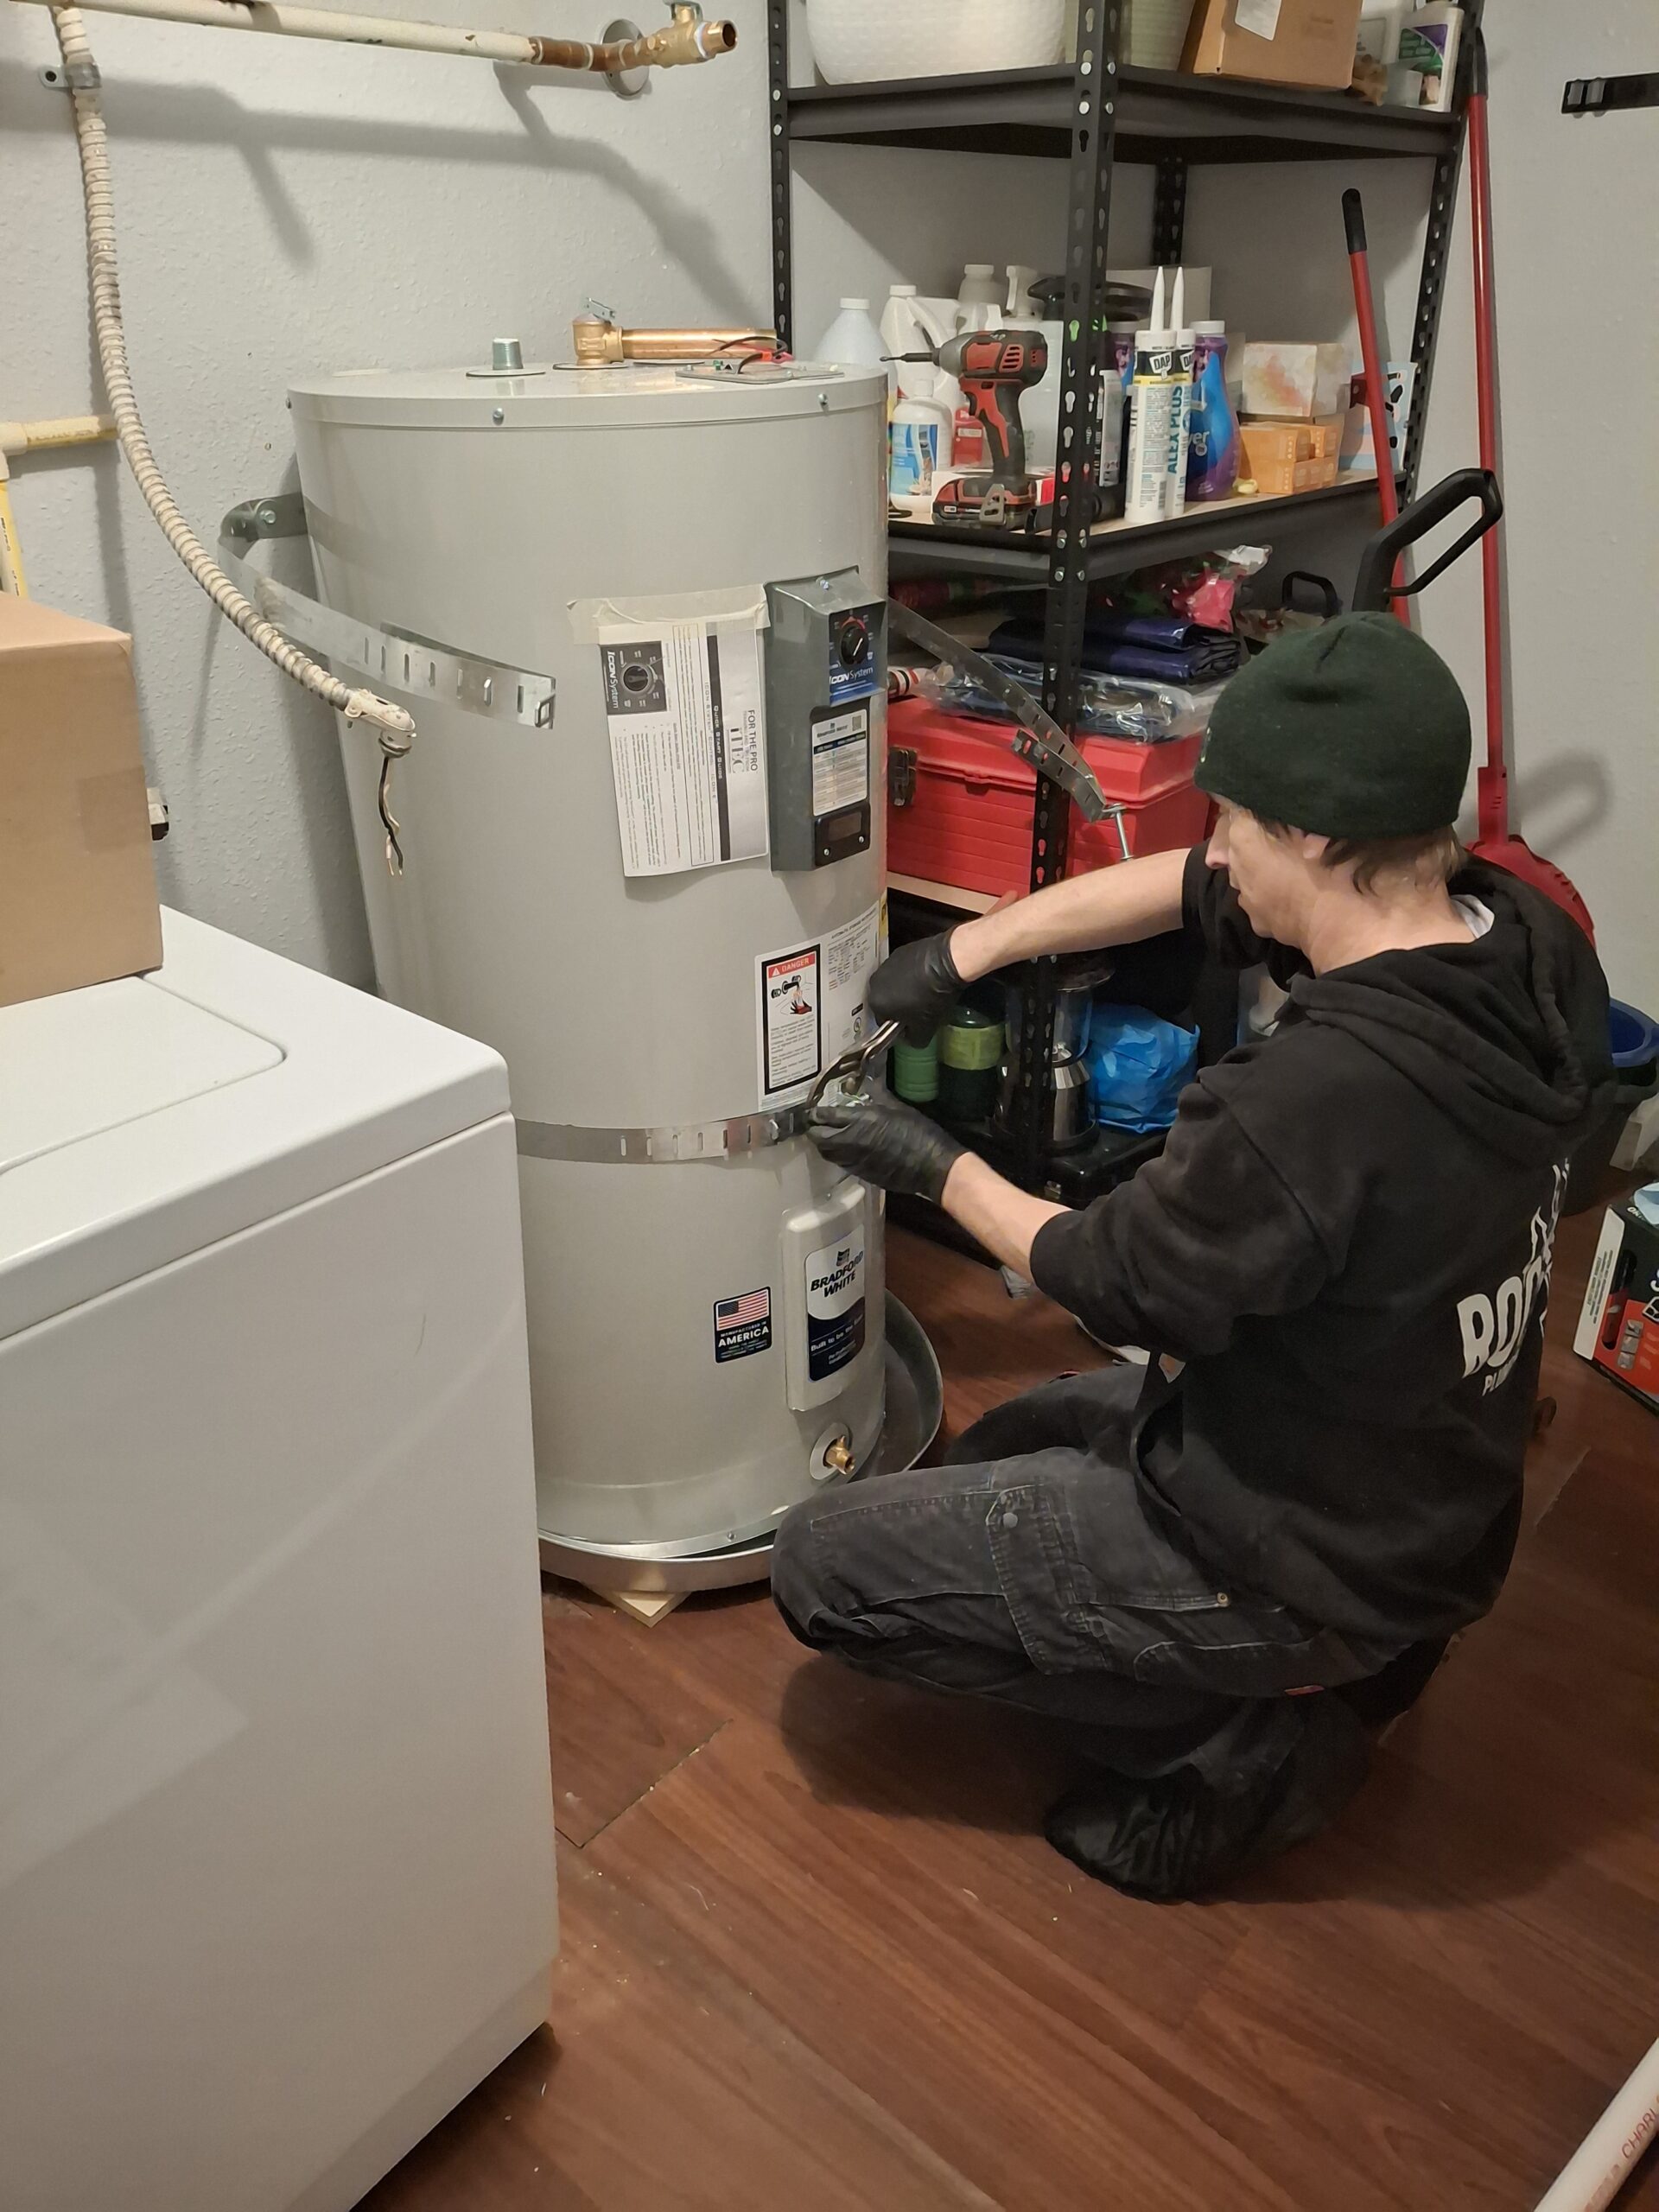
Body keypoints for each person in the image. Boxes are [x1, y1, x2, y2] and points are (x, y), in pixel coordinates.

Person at [770, 613, 1612, 1897]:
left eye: (1233, 820)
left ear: (1320, 837)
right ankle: (1349, 1657)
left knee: (823, 1569)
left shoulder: (1316, 1102)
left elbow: (1106, 1276)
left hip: (1300, 1560)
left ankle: (1247, 1742)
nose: (1215, 851)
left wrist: (927, 1161)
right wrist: (965, 948)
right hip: (1418, 1491)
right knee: (1007, 1446)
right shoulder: (1522, 938)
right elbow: (1185, 890)